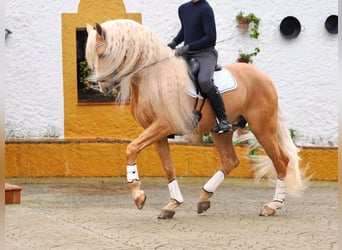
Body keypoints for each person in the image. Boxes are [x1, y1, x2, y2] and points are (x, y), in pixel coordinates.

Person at [168, 0, 232, 134]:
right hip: (188, 53)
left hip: (205, 53)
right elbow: (186, 30)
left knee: (204, 80)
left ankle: (224, 120)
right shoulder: (183, 8)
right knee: (170, 76)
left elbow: (211, 37)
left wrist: (187, 47)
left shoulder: (206, 9)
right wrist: (174, 42)